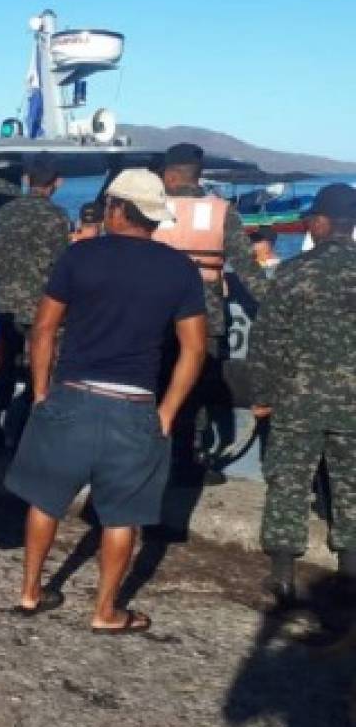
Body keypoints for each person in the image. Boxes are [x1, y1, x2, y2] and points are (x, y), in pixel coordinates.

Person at [5, 169, 206, 633]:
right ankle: (105, 611)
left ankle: (32, 592)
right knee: (122, 516)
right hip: (135, 405)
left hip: (71, 396)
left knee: (45, 500)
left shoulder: (79, 257)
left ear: (116, 209)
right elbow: (194, 348)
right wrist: (168, 412)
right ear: (153, 218)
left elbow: (44, 328)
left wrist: (40, 391)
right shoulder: (179, 269)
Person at [248, 183, 356, 603]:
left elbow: (266, 342)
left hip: (297, 402)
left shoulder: (294, 273)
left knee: (289, 484)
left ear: (323, 222)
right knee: (351, 485)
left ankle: (282, 575)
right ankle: (348, 575)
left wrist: (263, 394)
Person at [154, 142, 268, 485]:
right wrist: (281, 307)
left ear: (170, 174)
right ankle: (190, 461)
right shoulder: (222, 212)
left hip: (153, 316)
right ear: (198, 175)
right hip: (206, 318)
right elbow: (249, 271)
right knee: (198, 390)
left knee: (153, 385)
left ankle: (150, 458)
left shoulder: (150, 208)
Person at [0, 152, 69, 448]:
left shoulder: (6, 214)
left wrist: (2, 287)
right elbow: (63, 268)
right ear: (58, 182)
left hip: (7, 305)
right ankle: (33, 430)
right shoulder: (58, 218)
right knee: (42, 370)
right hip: (45, 310)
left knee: (4, 365)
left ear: (25, 179)